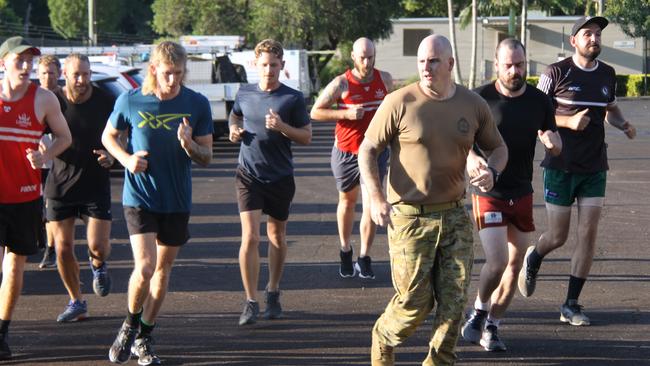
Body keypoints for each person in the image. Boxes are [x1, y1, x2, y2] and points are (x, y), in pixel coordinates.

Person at [359, 34, 507, 366]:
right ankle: (383, 337)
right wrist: (376, 196)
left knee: (454, 305)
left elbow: (499, 148)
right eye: (422, 61)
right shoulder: (400, 102)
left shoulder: (472, 104)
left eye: (433, 61)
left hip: (454, 216)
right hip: (410, 219)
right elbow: (367, 149)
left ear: (450, 64)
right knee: (415, 302)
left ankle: (438, 362)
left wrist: (493, 172)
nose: (426, 67)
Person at [518, 16, 636, 326]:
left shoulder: (607, 75)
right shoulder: (556, 72)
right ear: (574, 41)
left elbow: (609, 108)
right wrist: (568, 122)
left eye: (598, 34)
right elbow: (536, 115)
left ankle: (571, 303)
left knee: (588, 233)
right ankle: (535, 256)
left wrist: (623, 124)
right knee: (558, 236)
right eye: (588, 34)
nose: (594, 38)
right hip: (561, 166)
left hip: (595, 165)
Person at [102, 41, 213, 365]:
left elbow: (207, 156)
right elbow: (108, 136)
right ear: (153, 69)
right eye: (168, 73)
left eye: (179, 73)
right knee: (146, 266)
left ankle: (144, 337)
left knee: (163, 270)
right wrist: (126, 159)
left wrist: (189, 144)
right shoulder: (131, 100)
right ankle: (128, 325)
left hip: (176, 198)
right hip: (140, 197)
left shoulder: (197, 103)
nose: (174, 80)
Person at [460, 38, 562, 352]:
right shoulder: (479, 98)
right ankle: (478, 310)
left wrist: (554, 145)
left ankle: (493, 325)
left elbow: (553, 136)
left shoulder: (539, 101)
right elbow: (460, 141)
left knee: (515, 265)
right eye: (508, 65)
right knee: (498, 259)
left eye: (520, 65)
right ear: (497, 65)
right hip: (489, 190)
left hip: (521, 190)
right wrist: (471, 158)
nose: (515, 71)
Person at [229, 39, 311, 326]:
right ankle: (250, 301)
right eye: (264, 65)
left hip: (279, 176)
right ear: (255, 65)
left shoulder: (292, 98)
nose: (269, 70)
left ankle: (273, 291)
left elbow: (306, 136)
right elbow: (235, 115)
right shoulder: (245, 92)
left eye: (274, 65)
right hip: (248, 175)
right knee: (250, 237)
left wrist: (282, 127)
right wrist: (233, 130)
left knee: (276, 237)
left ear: (282, 66)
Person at [0, 36, 71, 360]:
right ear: (3, 63)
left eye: (30, 61)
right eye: (19, 60)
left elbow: (64, 137)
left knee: (14, 267)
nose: (26, 66)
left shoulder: (43, 99)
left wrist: (45, 158)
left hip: (24, 197)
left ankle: (3, 331)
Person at [310, 37, 393, 279]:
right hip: (346, 152)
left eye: (371, 57)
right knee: (347, 202)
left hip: (375, 153)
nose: (367, 62)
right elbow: (316, 112)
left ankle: (364, 257)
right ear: (354, 57)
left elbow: (394, 109)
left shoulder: (384, 80)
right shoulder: (341, 84)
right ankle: (345, 250)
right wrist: (345, 113)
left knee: (371, 206)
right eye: (362, 57)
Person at [45, 54, 116, 323]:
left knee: (98, 246)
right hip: (60, 185)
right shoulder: (54, 100)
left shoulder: (105, 100)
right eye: (77, 74)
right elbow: (36, 129)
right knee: (63, 249)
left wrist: (112, 155)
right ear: (65, 73)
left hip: (95, 183)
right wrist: (42, 150)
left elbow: (119, 133)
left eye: (86, 74)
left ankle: (98, 265)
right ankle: (77, 301)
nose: (82, 80)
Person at [37, 54, 66, 268]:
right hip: (36, 163)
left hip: (60, 163)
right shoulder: (32, 99)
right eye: (44, 73)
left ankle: (51, 249)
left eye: (52, 73)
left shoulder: (65, 99)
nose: (48, 78)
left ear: (59, 74)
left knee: (51, 207)